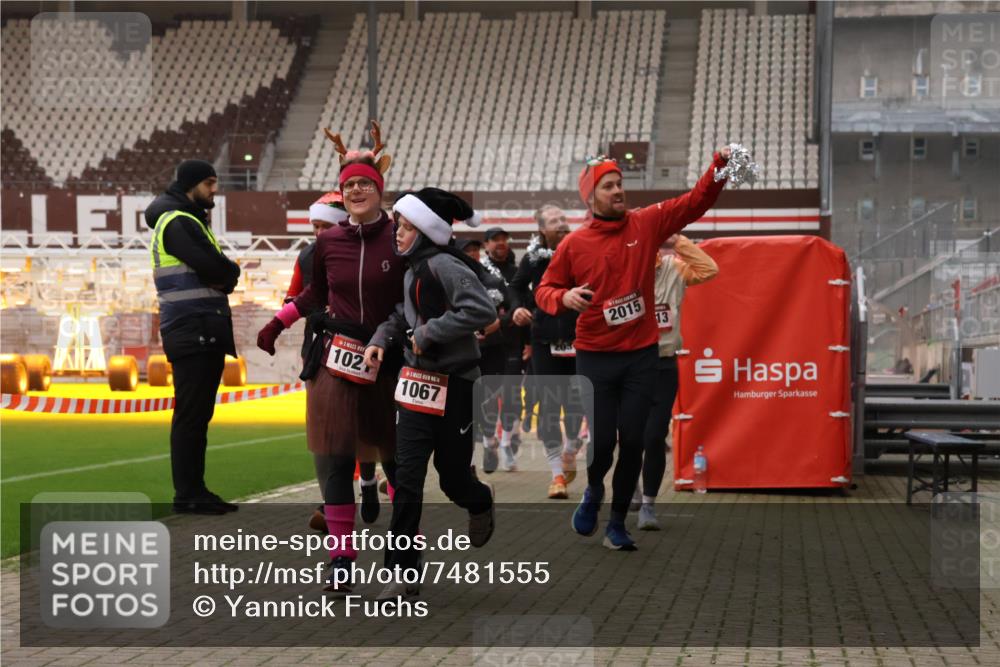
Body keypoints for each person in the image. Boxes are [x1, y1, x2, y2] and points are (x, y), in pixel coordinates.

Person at [535, 147, 732, 551]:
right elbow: (544, 290)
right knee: (603, 442)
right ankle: (593, 491)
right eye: (608, 186)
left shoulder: (646, 223)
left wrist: (718, 166)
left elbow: (697, 202)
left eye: (620, 184)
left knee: (636, 442)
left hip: (642, 355)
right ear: (591, 198)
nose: (618, 191)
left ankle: (617, 523)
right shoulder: (574, 245)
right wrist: (564, 297)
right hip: (595, 356)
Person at [256, 122, 405, 592]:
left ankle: (404, 553)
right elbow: (316, 292)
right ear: (342, 194)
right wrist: (279, 321)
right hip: (335, 356)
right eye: (350, 185)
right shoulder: (326, 243)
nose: (358, 189)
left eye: (365, 183)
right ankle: (341, 560)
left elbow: (413, 295)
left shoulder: (401, 240)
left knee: (399, 460)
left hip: (392, 357)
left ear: (379, 190)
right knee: (334, 455)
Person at [364, 188, 498, 601]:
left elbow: (482, 311)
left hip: (457, 383)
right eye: (398, 227)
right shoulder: (411, 270)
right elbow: (401, 316)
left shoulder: (444, 265)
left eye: (405, 227)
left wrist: (427, 333)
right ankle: (402, 572)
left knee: (453, 477)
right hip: (415, 385)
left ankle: (478, 500)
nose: (398, 234)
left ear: (424, 230)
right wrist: (382, 339)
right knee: (407, 476)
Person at [145, 159, 241, 515]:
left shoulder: (182, 219)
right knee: (191, 415)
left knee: (196, 414)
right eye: (210, 183)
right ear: (191, 184)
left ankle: (193, 490)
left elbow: (220, 271)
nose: (215, 190)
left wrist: (227, 273)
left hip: (196, 327)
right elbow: (217, 268)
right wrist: (230, 272)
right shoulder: (180, 222)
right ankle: (188, 493)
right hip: (194, 327)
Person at [632, 234, 718, 530]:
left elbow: (709, 270)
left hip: (664, 363)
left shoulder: (674, 268)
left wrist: (676, 239)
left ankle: (648, 506)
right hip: (630, 364)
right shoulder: (624, 270)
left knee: (654, 436)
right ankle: (631, 486)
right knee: (628, 435)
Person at [509, 205, 583, 499]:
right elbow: (514, 287)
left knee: (578, 404)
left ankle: (571, 448)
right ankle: (556, 476)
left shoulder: (581, 250)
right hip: (544, 341)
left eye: (564, 219)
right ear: (542, 230)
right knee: (551, 408)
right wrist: (517, 309)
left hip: (580, 341)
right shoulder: (531, 259)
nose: (562, 224)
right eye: (555, 221)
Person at [479, 227, 524, 471]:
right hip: (486, 344)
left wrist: (527, 342)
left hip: (514, 343)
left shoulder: (516, 272)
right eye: (495, 240)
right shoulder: (480, 272)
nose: (501, 244)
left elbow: (521, 307)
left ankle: (506, 444)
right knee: (487, 398)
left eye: (504, 239)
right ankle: (489, 441)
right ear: (486, 245)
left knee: (512, 399)